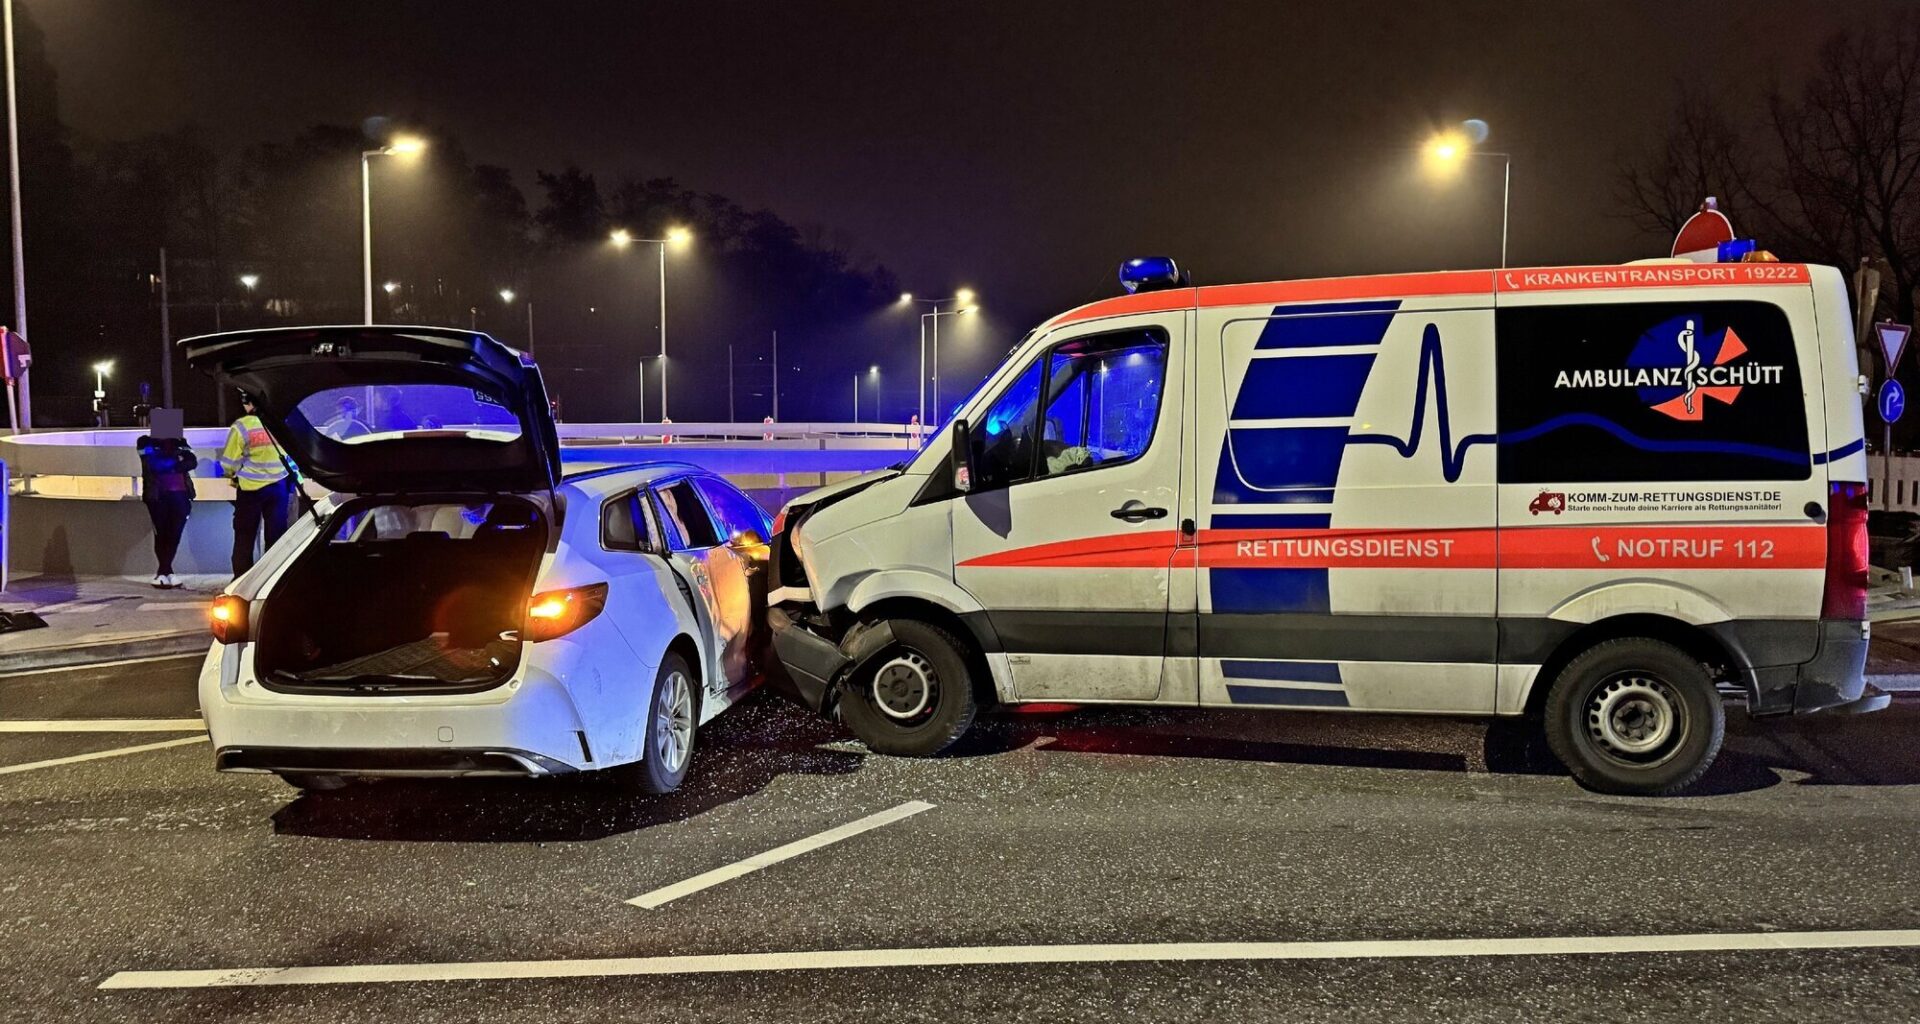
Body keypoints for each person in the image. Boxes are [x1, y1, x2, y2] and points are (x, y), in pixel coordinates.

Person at [220, 394, 296, 578]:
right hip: (278, 487)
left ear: (249, 404)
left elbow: (229, 462)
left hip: (250, 490)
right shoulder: (279, 423)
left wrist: (232, 474)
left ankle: (242, 581)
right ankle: (272, 580)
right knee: (276, 537)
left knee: (244, 538)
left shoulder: (242, 426)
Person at [135, 430, 197, 588]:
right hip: (157, 496)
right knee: (161, 534)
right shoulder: (145, 442)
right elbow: (153, 464)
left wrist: (171, 464)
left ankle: (165, 572)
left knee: (174, 534)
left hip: (181, 495)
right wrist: (177, 463)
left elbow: (192, 462)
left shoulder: (180, 442)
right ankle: (165, 572)